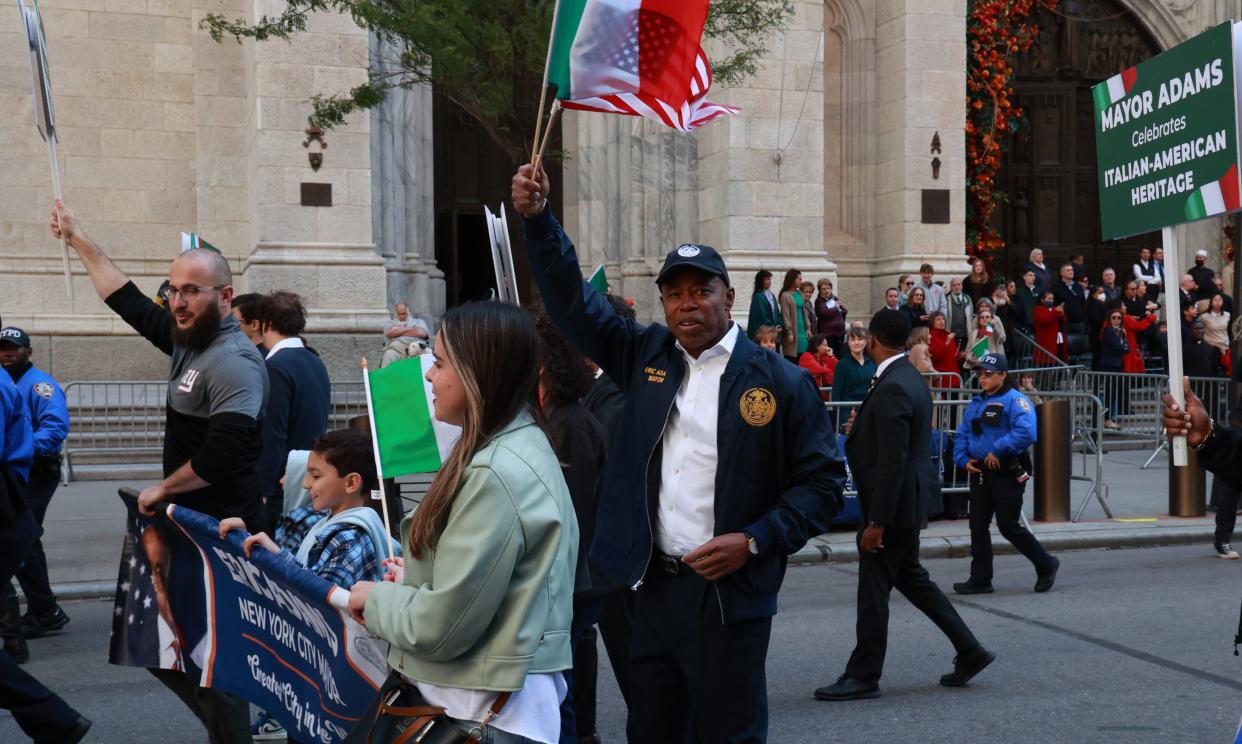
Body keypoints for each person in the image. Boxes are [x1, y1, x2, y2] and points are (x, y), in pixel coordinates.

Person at [513, 163, 844, 742]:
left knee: (726, 734)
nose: (687, 305)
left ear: (730, 296)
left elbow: (820, 486)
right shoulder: (645, 358)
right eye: (674, 294)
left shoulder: (781, 382)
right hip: (653, 588)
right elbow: (573, 303)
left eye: (700, 292)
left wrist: (754, 540)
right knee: (653, 730)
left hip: (729, 599)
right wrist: (540, 222)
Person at [50, 200, 266, 743]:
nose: (177, 300)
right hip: (180, 525)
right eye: (173, 289)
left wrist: (162, 490)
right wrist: (77, 237)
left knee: (212, 661)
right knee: (153, 645)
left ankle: (232, 735)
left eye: (193, 290)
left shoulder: (235, 360)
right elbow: (123, 296)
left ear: (225, 296)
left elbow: (222, 456)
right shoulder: (185, 338)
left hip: (219, 533)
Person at [348, 301, 578, 744]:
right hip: (488, 704)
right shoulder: (513, 443)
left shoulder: (495, 470)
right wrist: (417, 576)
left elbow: (443, 625)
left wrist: (375, 599)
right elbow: (495, 586)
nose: (428, 376)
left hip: (479, 714)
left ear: (479, 372)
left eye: (438, 362)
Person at [815, 309, 993, 702]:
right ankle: (970, 649)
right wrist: (859, 429)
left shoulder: (895, 383)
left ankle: (864, 675)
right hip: (905, 501)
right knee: (913, 579)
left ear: (875, 342)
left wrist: (876, 520)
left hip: (891, 507)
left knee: (873, 592)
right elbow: (895, 437)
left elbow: (893, 459)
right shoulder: (906, 377)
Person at [220, 429, 398, 743]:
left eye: (315, 476)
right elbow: (310, 578)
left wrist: (272, 560)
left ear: (351, 482)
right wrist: (270, 552)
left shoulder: (348, 535)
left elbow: (317, 600)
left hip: (338, 686)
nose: (305, 484)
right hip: (327, 683)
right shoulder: (331, 524)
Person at [532, 314, 609, 744]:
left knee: (566, 686)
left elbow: (573, 515)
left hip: (575, 581)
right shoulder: (554, 419)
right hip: (570, 581)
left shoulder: (570, 425)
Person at [952, 353, 1059, 594]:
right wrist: (962, 459)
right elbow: (962, 434)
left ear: (1002, 375)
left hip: (1006, 469)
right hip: (979, 469)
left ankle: (1046, 563)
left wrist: (998, 450)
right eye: (980, 374)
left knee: (1008, 525)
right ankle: (980, 579)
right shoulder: (976, 403)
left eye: (988, 374)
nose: (982, 378)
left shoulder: (1016, 400)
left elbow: (1027, 432)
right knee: (977, 525)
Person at [578, 293, 635, 713]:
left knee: (634, 662)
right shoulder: (598, 390)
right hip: (607, 555)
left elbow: (604, 477)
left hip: (616, 554)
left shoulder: (615, 396)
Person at [0, 328, 70, 641]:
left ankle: (45, 610)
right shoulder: (7, 382)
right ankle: (44, 608)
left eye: (13, 348)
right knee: (25, 538)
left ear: (29, 351)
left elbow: (56, 427)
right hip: (17, 473)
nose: (6, 353)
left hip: (37, 471)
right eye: (1, 348)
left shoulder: (39, 385)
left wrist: (24, 447)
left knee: (23, 538)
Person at [253, 291, 331, 533]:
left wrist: (264, 490)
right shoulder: (314, 359)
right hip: (310, 474)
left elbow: (273, 434)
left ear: (266, 324)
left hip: (282, 486)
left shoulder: (275, 366)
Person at [832, 328, 877, 428]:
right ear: (848, 343)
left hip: (868, 412)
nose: (856, 342)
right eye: (852, 339)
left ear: (866, 341)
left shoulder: (872, 364)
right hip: (848, 414)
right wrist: (840, 421)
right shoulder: (842, 364)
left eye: (860, 339)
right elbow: (836, 394)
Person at [1098, 310, 1130, 429]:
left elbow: (1127, 349)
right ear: (1109, 319)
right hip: (1109, 366)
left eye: (1119, 318)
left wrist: (1124, 339)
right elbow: (1118, 347)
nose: (1116, 320)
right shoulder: (1108, 331)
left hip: (1117, 366)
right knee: (1109, 393)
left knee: (1113, 393)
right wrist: (1123, 344)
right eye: (1114, 317)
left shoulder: (1120, 333)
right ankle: (1107, 419)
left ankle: (1110, 418)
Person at [380, 301, 430, 368]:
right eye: (399, 314)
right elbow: (391, 333)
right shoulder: (390, 324)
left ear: (408, 312)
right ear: (396, 313)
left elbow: (420, 333)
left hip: (417, 350)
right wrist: (412, 329)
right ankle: (385, 377)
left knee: (427, 352)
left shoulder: (418, 322)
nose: (401, 316)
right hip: (397, 350)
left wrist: (398, 330)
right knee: (388, 354)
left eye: (404, 314)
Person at [778, 269, 809, 362]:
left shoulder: (799, 293)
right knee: (792, 357)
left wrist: (808, 328)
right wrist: (789, 332)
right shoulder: (785, 295)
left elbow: (804, 312)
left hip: (802, 330)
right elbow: (785, 315)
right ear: (792, 279)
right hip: (793, 331)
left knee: (803, 355)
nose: (801, 281)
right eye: (799, 279)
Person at [813, 279, 847, 357]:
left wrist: (841, 307)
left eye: (828, 288)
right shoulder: (819, 301)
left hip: (839, 333)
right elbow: (824, 313)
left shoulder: (834, 298)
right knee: (830, 356)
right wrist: (835, 307)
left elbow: (843, 311)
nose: (826, 291)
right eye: (824, 289)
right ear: (820, 291)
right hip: (829, 335)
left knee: (838, 355)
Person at [1032, 290, 1066, 366]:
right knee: (1045, 365)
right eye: (1049, 299)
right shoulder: (1037, 309)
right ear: (1042, 299)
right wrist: (1055, 311)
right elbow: (1044, 320)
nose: (1051, 301)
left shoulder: (1053, 308)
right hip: (1045, 342)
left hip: (1056, 340)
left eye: (1052, 299)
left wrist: (1062, 314)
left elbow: (1063, 320)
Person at [927, 313, 961, 386]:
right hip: (941, 378)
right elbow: (935, 357)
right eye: (938, 319)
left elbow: (954, 356)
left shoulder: (948, 335)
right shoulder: (930, 337)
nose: (942, 321)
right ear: (932, 322)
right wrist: (947, 343)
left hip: (954, 376)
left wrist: (961, 355)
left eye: (943, 319)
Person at [747, 270, 781, 340]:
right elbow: (762, 318)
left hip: (773, 332)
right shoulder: (759, 297)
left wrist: (779, 325)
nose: (770, 281)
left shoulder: (771, 295)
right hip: (764, 335)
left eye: (770, 279)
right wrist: (773, 329)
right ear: (761, 281)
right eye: (767, 279)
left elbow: (776, 313)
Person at [1052, 263, 1086, 331]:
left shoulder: (1078, 286)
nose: (1071, 272)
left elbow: (1083, 303)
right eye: (1068, 270)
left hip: (1079, 323)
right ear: (1062, 273)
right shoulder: (1056, 288)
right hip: (1064, 324)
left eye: (1072, 270)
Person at [945, 278, 974, 352]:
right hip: (950, 335)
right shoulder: (945, 299)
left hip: (965, 335)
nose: (956, 287)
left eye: (958, 284)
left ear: (962, 286)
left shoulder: (967, 298)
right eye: (954, 285)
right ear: (950, 287)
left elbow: (971, 315)